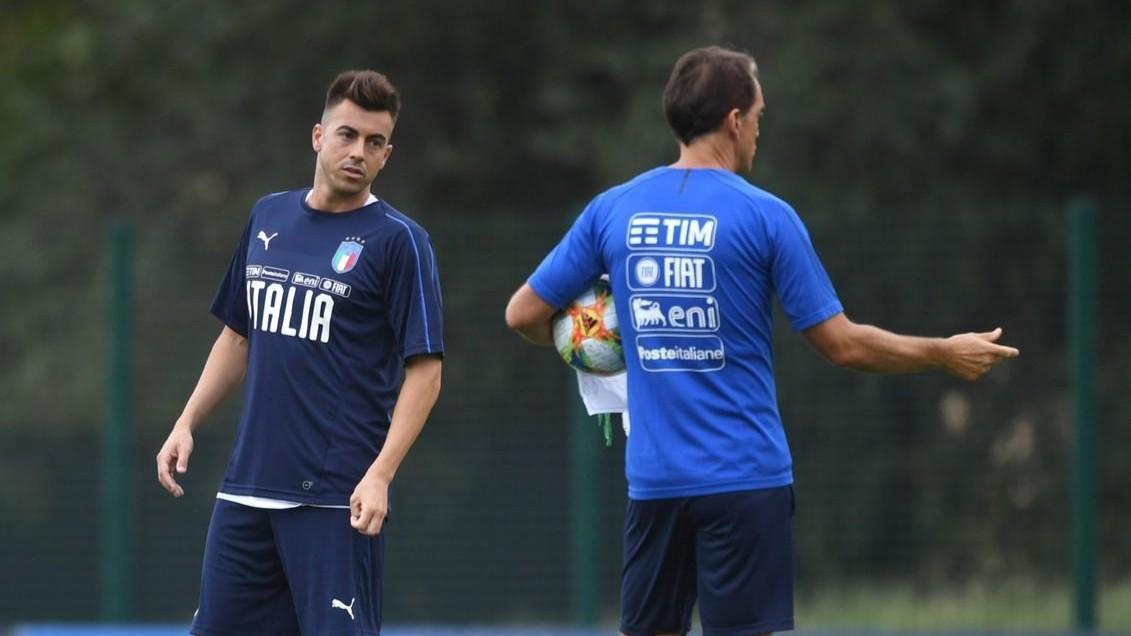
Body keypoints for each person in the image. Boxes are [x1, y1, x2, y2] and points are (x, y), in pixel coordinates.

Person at [505, 46, 1018, 636]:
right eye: (758, 117)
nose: (757, 132)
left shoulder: (612, 211)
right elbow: (843, 345)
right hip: (746, 481)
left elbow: (523, 315)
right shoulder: (767, 216)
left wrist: (606, 341)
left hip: (656, 484)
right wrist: (943, 352)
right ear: (733, 121)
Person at [156, 69, 444, 635]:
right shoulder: (269, 215)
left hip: (336, 498)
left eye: (374, 142)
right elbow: (237, 336)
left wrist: (381, 475)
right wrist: (187, 421)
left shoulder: (399, 241)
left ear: (388, 155)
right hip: (246, 489)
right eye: (347, 135)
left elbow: (426, 373)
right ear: (318, 136)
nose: (358, 151)